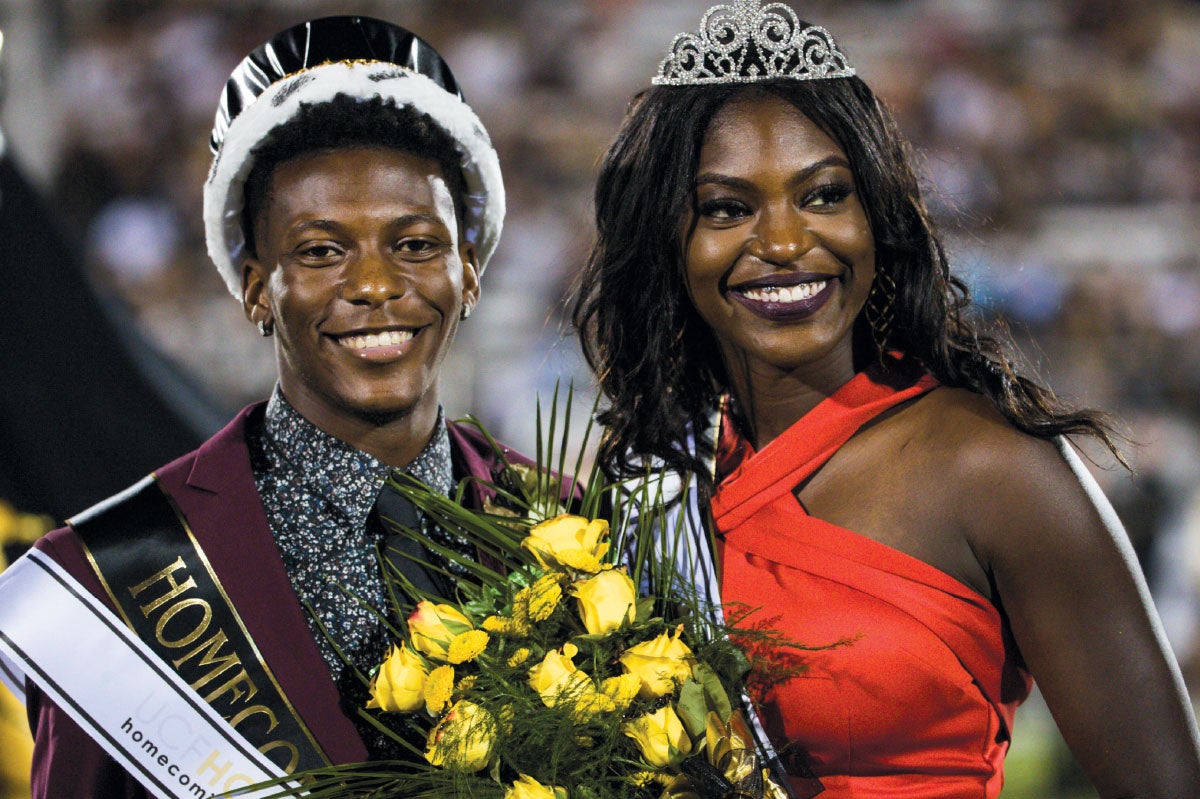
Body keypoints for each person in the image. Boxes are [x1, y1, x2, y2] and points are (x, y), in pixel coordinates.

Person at [573, 2, 1200, 797]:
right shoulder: (651, 477)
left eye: (825, 195)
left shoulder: (994, 466)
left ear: (878, 216)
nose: (785, 242)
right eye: (728, 208)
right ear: (671, 240)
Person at [11, 15, 527, 797]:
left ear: (470, 268)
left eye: (415, 244)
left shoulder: (572, 523)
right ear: (256, 285)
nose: (376, 286)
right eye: (322, 250)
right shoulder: (109, 580)